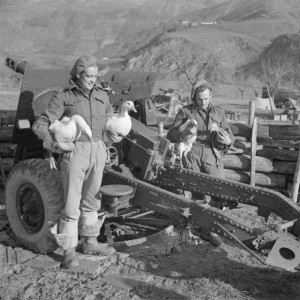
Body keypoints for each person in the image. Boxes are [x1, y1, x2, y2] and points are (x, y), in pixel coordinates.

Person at [32, 54, 115, 269]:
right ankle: (68, 250)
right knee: (71, 203)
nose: (93, 80)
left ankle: (90, 241)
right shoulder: (64, 97)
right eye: (88, 76)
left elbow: (110, 117)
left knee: (92, 199)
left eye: (95, 76)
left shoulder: (102, 95)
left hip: (98, 149)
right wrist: (55, 145)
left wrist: (112, 134)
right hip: (75, 152)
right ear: (78, 75)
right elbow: (40, 124)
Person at [167, 83, 234, 179]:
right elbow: (171, 134)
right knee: (194, 186)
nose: (203, 103)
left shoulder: (219, 112)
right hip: (191, 152)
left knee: (219, 185)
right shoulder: (185, 111)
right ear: (195, 97)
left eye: (206, 99)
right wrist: (183, 133)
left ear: (211, 96)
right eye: (200, 99)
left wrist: (228, 141)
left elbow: (229, 133)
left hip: (212, 153)